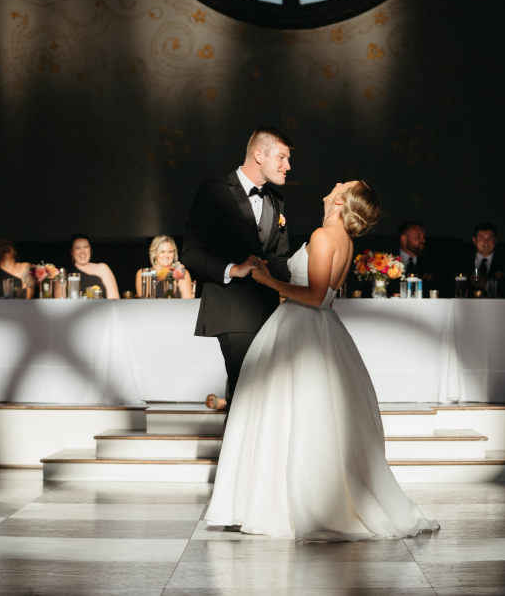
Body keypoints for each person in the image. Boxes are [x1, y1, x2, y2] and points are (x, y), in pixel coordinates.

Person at [205, 180, 438, 540]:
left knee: (285, 411)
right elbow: (326, 297)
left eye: (342, 184)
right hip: (322, 327)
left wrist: (267, 281)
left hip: (301, 326)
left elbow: (315, 296)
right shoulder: (344, 239)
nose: (334, 184)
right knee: (308, 414)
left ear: (342, 200)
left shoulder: (323, 235)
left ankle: (282, 503)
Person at [182, 127, 293, 412]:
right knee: (248, 394)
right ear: (259, 154)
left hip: (271, 315)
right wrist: (233, 269)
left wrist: (304, 286)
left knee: (262, 396)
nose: (288, 166)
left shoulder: (276, 201)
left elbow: (279, 260)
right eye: (281, 157)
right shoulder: (214, 191)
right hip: (232, 313)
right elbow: (191, 253)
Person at [469, 221, 505, 298]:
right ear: (474, 240)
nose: (486, 242)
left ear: (495, 240)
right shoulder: (462, 263)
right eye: (481, 237)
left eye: (490, 238)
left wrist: (487, 286)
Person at [67, 234, 119, 299]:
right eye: (78, 248)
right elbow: (60, 302)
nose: (83, 251)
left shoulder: (102, 268)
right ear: (71, 252)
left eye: (86, 247)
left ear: (90, 249)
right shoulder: (65, 273)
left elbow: (114, 299)